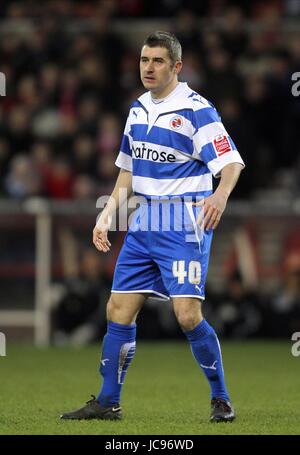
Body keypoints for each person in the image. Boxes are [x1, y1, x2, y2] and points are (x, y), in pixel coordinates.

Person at [61, 31, 245, 423]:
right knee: (118, 308)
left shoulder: (197, 109)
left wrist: (220, 195)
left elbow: (232, 163)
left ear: (176, 66)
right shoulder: (138, 108)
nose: (148, 67)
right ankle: (109, 401)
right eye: (145, 60)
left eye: (158, 61)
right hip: (144, 220)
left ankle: (221, 398)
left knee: (186, 316)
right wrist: (107, 214)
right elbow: (128, 171)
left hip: (183, 222)